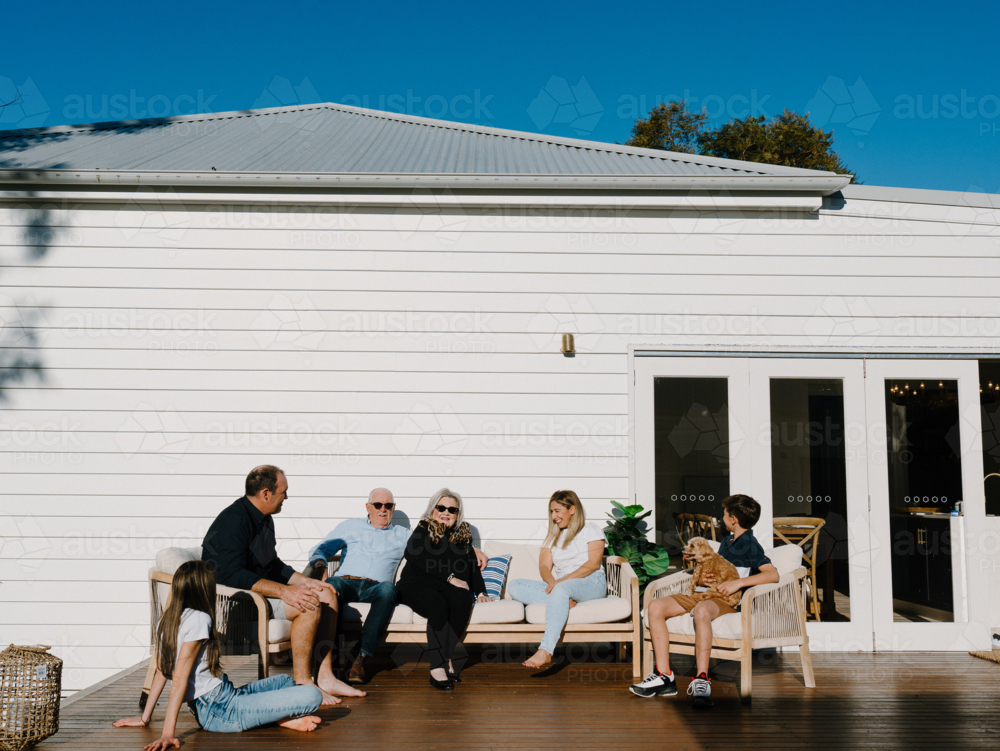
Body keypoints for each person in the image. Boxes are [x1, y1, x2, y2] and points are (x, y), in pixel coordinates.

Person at [113, 560, 323, 748]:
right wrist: (167, 734)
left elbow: (161, 669)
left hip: (223, 697)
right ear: (203, 589)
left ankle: (279, 718)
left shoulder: (167, 620)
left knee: (284, 681)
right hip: (221, 710)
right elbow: (178, 679)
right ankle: (281, 718)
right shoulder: (199, 619)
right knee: (313, 695)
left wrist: (144, 718)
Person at [200, 465, 363, 705]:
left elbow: (273, 565)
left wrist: (308, 582)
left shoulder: (264, 520)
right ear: (266, 493)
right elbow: (231, 575)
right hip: (236, 604)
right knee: (309, 604)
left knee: (326, 594)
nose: (287, 497)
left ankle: (325, 677)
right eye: (283, 492)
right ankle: (302, 682)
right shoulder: (233, 521)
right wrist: (284, 591)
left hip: (256, 596)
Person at [630, 493, 779, 708]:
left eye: (725, 515)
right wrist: (703, 576)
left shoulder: (750, 543)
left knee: (701, 611)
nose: (722, 518)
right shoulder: (728, 541)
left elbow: (772, 574)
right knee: (655, 607)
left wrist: (738, 584)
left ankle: (701, 679)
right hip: (701, 593)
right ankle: (664, 677)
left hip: (723, 600)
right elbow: (713, 566)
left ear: (733, 519)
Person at [305, 487, 409, 685]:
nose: (382, 510)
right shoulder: (350, 527)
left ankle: (359, 658)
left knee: (389, 589)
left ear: (393, 508)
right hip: (346, 583)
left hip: (376, 589)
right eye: (378, 505)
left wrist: (471, 549)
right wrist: (320, 566)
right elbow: (320, 549)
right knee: (331, 584)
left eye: (388, 505)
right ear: (368, 507)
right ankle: (329, 660)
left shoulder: (404, 535)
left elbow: (433, 549)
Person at [395, 488, 489, 690]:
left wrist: (481, 592)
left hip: (441, 585)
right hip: (414, 584)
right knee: (438, 605)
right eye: (441, 508)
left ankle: (446, 656)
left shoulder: (462, 535)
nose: (446, 513)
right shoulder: (423, 528)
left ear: (458, 514)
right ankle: (437, 666)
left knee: (463, 598)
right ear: (433, 510)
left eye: (452, 510)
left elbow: (472, 566)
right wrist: (450, 577)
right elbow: (414, 555)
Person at [508, 490, 607, 669]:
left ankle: (546, 650)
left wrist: (562, 583)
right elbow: (544, 567)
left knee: (562, 590)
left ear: (572, 509)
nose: (553, 516)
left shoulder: (591, 529)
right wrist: (553, 584)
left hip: (591, 582)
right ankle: (563, 600)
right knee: (515, 585)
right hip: (563, 586)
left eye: (557, 511)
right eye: (551, 512)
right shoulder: (553, 536)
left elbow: (593, 564)